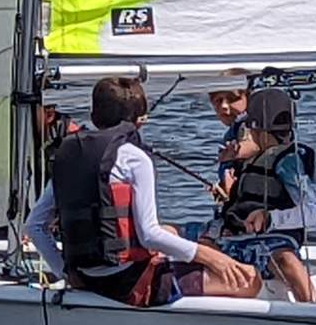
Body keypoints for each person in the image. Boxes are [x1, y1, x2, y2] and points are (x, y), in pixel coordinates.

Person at [26, 77, 260, 307]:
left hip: (83, 279)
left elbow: (35, 226)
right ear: (139, 121)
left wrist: (68, 275)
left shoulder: (68, 155)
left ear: (95, 116)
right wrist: (215, 260)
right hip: (127, 283)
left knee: (171, 232)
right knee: (250, 282)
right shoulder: (134, 158)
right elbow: (149, 234)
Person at [219, 88, 316, 303]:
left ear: (257, 130)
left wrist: (270, 217)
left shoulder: (288, 162)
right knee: (190, 236)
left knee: (284, 258)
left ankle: (311, 306)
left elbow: (313, 213)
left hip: (273, 242)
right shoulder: (247, 160)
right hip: (237, 240)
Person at [207, 88, 256, 189]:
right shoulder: (232, 130)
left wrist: (232, 153)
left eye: (232, 99)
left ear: (247, 96)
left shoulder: (250, 123)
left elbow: (256, 145)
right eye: (218, 101)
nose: (224, 106)